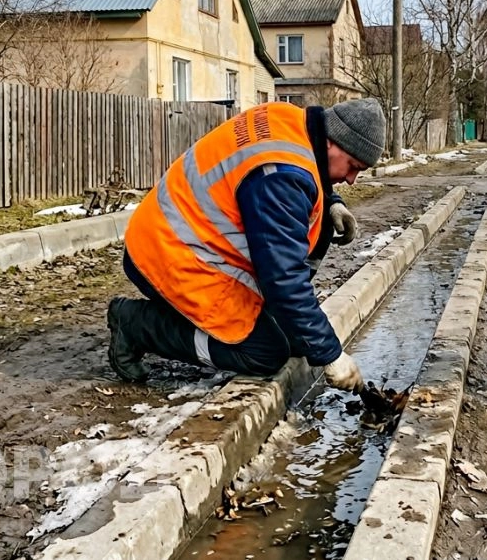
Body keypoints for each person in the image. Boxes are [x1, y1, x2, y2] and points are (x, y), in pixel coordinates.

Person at [106, 98, 386, 392]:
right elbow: (284, 277)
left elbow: (300, 165)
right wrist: (330, 354)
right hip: (168, 254)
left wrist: (331, 202)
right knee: (264, 353)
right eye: (353, 166)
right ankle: (136, 325)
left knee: (293, 334)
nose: (352, 180)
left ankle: (278, 316)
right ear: (331, 141)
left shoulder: (289, 120)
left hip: (179, 235)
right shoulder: (281, 178)